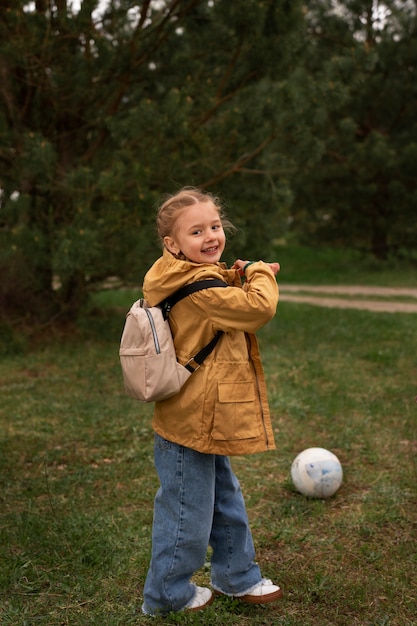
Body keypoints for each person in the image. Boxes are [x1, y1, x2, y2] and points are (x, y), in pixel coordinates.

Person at [141, 187, 281, 617]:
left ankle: (236, 576)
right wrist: (259, 275)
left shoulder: (192, 276)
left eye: (215, 227)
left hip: (205, 416)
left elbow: (220, 297)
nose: (210, 236)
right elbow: (257, 309)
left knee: (224, 499)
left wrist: (237, 275)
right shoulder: (198, 288)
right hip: (192, 420)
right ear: (172, 244)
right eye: (196, 231)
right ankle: (167, 595)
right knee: (186, 511)